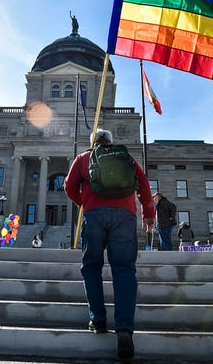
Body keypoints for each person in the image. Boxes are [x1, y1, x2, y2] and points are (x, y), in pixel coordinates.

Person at [64, 128, 154, 360]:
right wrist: (148, 214)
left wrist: (84, 202)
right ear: (111, 142)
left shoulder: (84, 158)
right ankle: (124, 330)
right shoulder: (126, 157)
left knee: (92, 267)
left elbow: (68, 186)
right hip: (124, 216)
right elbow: (143, 185)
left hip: (94, 216)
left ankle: (98, 319)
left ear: (93, 142)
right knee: (124, 270)